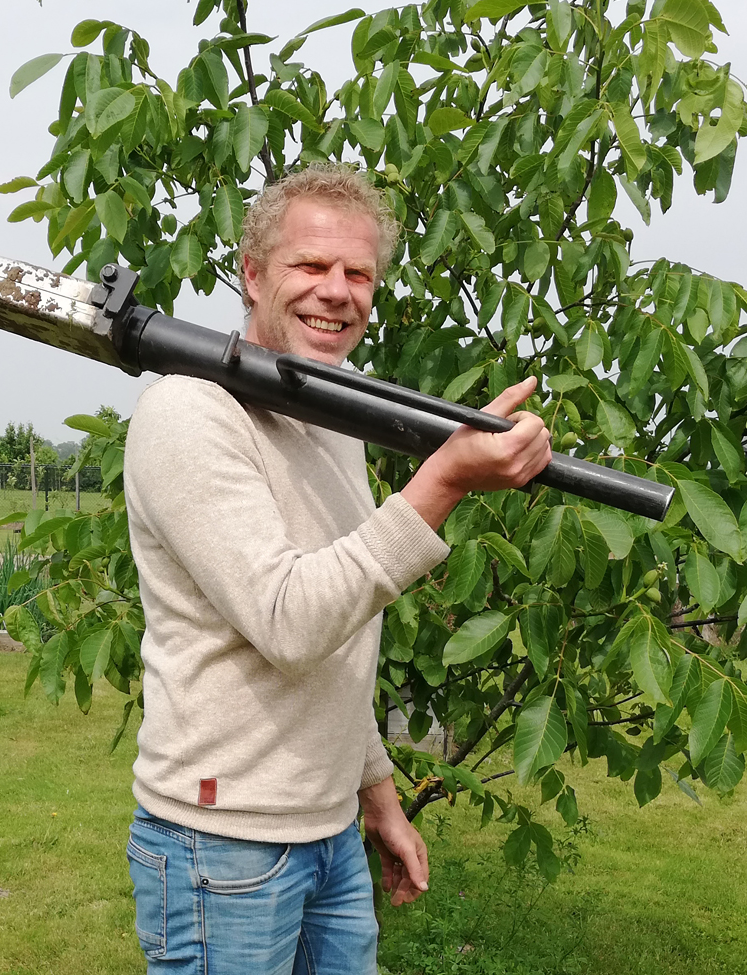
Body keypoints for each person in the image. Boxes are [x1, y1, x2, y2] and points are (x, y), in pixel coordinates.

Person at [122, 164, 551, 974]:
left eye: (358, 273)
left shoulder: (330, 405)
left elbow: (340, 638)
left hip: (326, 834)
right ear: (251, 274)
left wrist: (376, 796)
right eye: (310, 266)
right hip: (224, 843)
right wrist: (445, 479)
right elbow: (292, 621)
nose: (337, 291)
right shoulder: (190, 412)